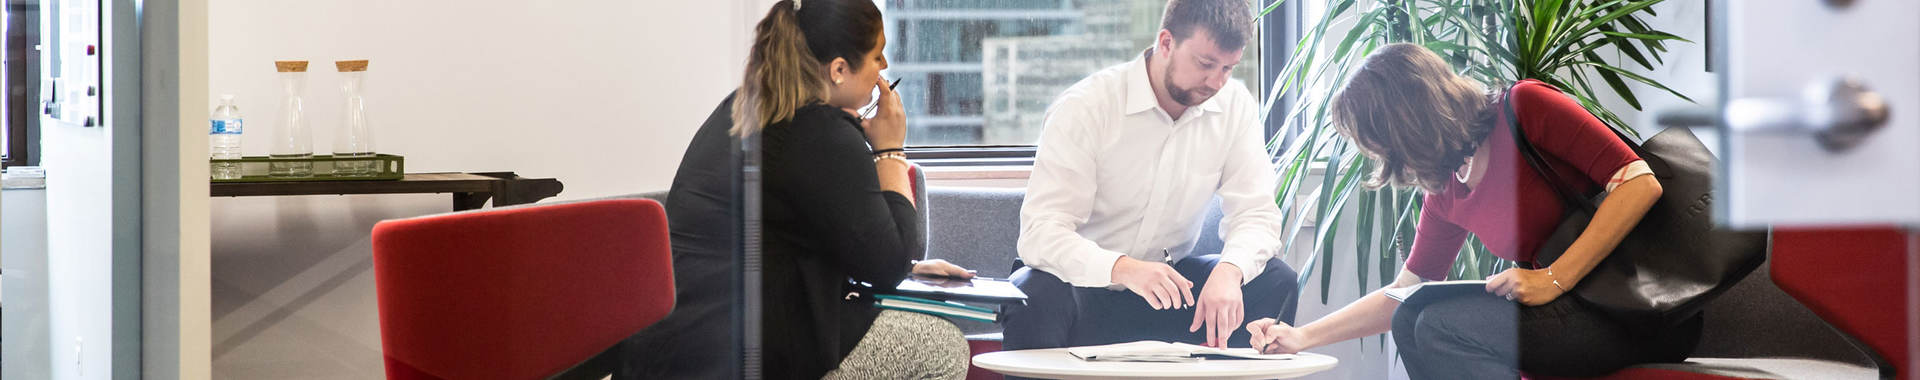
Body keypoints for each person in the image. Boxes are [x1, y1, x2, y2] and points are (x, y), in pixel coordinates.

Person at [1245, 43, 1696, 379]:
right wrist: (1301, 336)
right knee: (1412, 316)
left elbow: (1638, 182)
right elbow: (1405, 289)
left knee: (1441, 326)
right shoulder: (1445, 187)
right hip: (1564, 317)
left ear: (1409, 122)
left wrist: (1550, 277)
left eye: (1380, 144)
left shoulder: (1524, 108)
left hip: (1636, 310)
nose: (1382, 159)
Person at [1004, 0, 1299, 353]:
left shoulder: (1235, 107)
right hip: (1084, 293)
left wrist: (1230, 271)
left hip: (1172, 296)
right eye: (1205, 64)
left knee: (1276, 279)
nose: (1216, 82)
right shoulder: (1086, 107)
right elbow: (1040, 234)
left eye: (1228, 68)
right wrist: (1124, 268)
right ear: (1165, 43)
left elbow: (1257, 214)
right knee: (1031, 292)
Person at [737, 0, 974, 378]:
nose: (884, 68)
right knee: (942, 346)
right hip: (770, 350)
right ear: (839, 70)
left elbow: (815, 236)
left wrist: (909, 266)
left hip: (722, 333)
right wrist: (890, 150)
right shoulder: (821, 134)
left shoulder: (763, 116)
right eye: (877, 55)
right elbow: (887, 267)